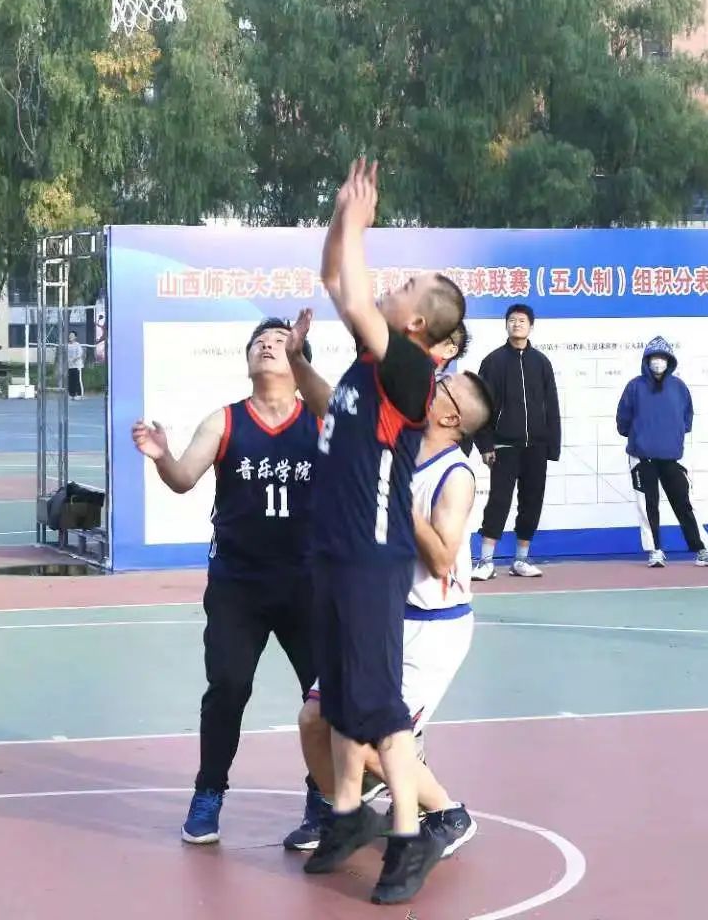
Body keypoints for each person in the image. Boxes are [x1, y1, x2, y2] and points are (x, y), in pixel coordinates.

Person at [299, 158, 483, 906]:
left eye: (406, 286)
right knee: (340, 698)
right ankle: (348, 815)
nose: (390, 284)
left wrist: (361, 226)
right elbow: (334, 279)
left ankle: (410, 834)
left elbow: (353, 293)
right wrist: (339, 219)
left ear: (415, 325)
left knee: (376, 707)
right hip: (333, 552)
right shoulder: (366, 368)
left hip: (373, 558)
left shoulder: (407, 370)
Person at [289, 315, 487, 864]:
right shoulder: (396, 433)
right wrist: (298, 361)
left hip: (428, 628)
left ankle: (447, 812)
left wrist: (397, 499)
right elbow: (334, 408)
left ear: (449, 415)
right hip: (375, 611)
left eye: (443, 384)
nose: (433, 381)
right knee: (315, 721)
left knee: (375, 738)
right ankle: (349, 812)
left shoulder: (455, 475)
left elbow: (443, 557)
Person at [131, 319, 322, 846]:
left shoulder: (321, 420)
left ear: (299, 359)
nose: (267, 346)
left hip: (308, 583)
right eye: (259, 342)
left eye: (280, 342)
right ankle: (208, 793)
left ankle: (323, 797)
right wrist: (162, 456)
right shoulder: (225, 420)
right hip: (239, 585)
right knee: (228, 687)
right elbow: (182, 478)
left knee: (325, 697)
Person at [617, 336, 708, 567]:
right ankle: (655, 550)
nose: (658, 362)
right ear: (646, 361)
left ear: (670, 361)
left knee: (685, 503)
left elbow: (687, 419)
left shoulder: (679, 387)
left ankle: (702, 549)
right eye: (654, 358)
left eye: (662, 357)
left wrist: (671, 438)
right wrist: (640, 437)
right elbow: (622, 421)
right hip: (641, 457)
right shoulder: (634, 387)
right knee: (648, 505)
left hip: (672, 457)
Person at [472, 303, 560, 580]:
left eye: (522, 320)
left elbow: (552, 406)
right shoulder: (493, 361)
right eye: (512, 320)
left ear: (531, 326)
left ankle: (520, 560)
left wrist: (552, 446)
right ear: (506, 325)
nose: (517, 324)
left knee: (531, 502)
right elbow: (481, 405)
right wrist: (485, 444)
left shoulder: (541, 363)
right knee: (498, 501)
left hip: (536, 446)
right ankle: (485, 562)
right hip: (504, 446)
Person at [65, 330, 86, 398]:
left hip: (77, 366)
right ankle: (72, 394)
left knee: (77, 380)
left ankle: (79, 395)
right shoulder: (67, 345)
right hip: (70, 366)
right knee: (71, 381)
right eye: (70, 335)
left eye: (72, 335)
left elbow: (80, 354)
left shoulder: (77, 345)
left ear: (75, 337)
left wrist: (74, 359)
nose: (70, 336)